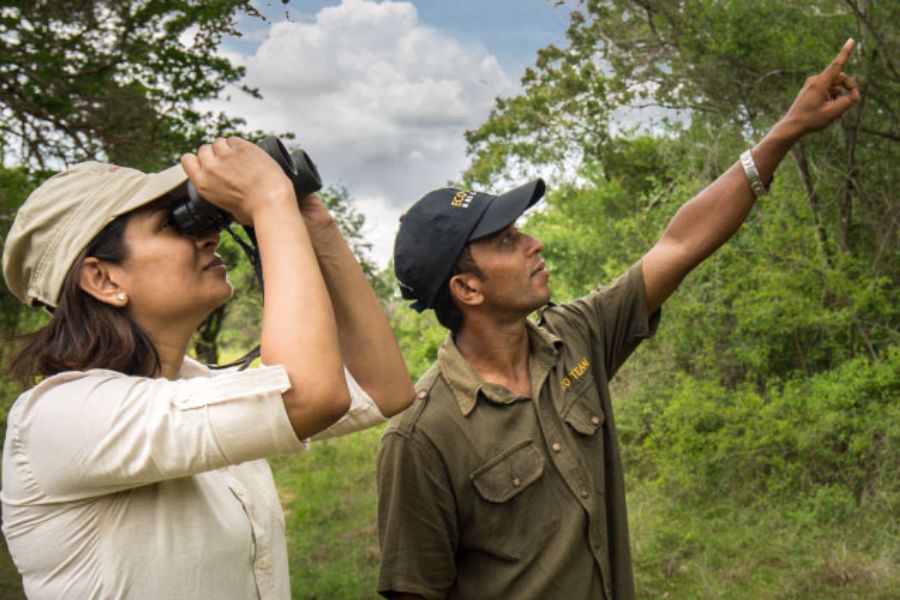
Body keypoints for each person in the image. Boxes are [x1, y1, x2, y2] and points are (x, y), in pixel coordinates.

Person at [376, 40, 860, 599]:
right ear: (467, 288)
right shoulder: (421, 437)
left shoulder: (575, 337)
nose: (534, 243)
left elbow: (679, 245)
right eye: (508, 241)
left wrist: (787, 131)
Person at [1, 137, 415, 598]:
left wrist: (317, 231)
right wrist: (268, 202)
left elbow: (383, 391)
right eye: (173, 224)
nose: (209, 234)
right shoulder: (60, 417)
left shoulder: (201, 392)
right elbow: (311, 395)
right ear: (103, 278)